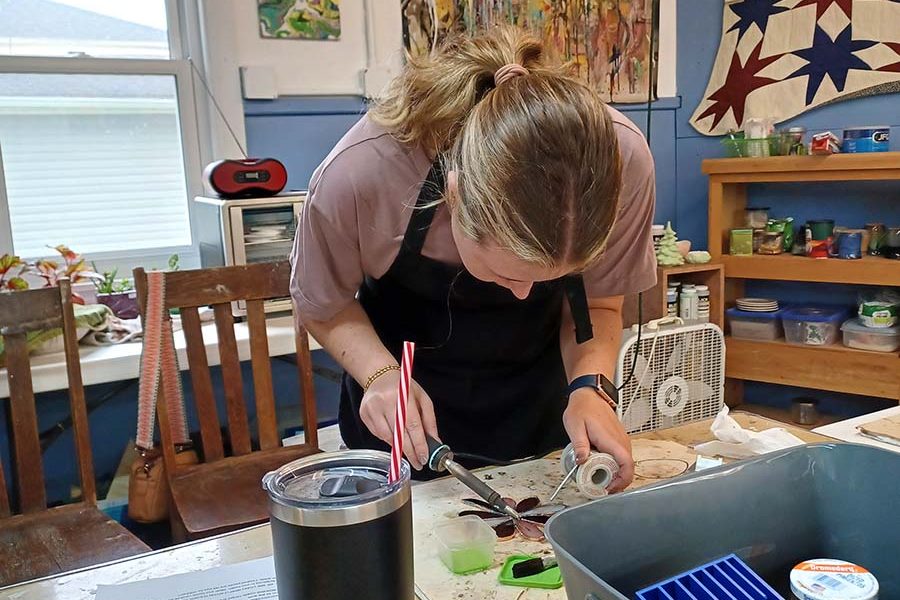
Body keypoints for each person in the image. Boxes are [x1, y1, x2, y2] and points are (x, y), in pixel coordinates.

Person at [290, 27, 656, 490]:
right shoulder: (362, 174)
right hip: (405, 427)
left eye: (552, 278)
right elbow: (322, 304)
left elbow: (599, 304)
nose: (525, 295)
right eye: (507, 273)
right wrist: (380, 376)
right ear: (455, 196)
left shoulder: (621, 159)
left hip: (536, 416)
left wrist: (591, 388)